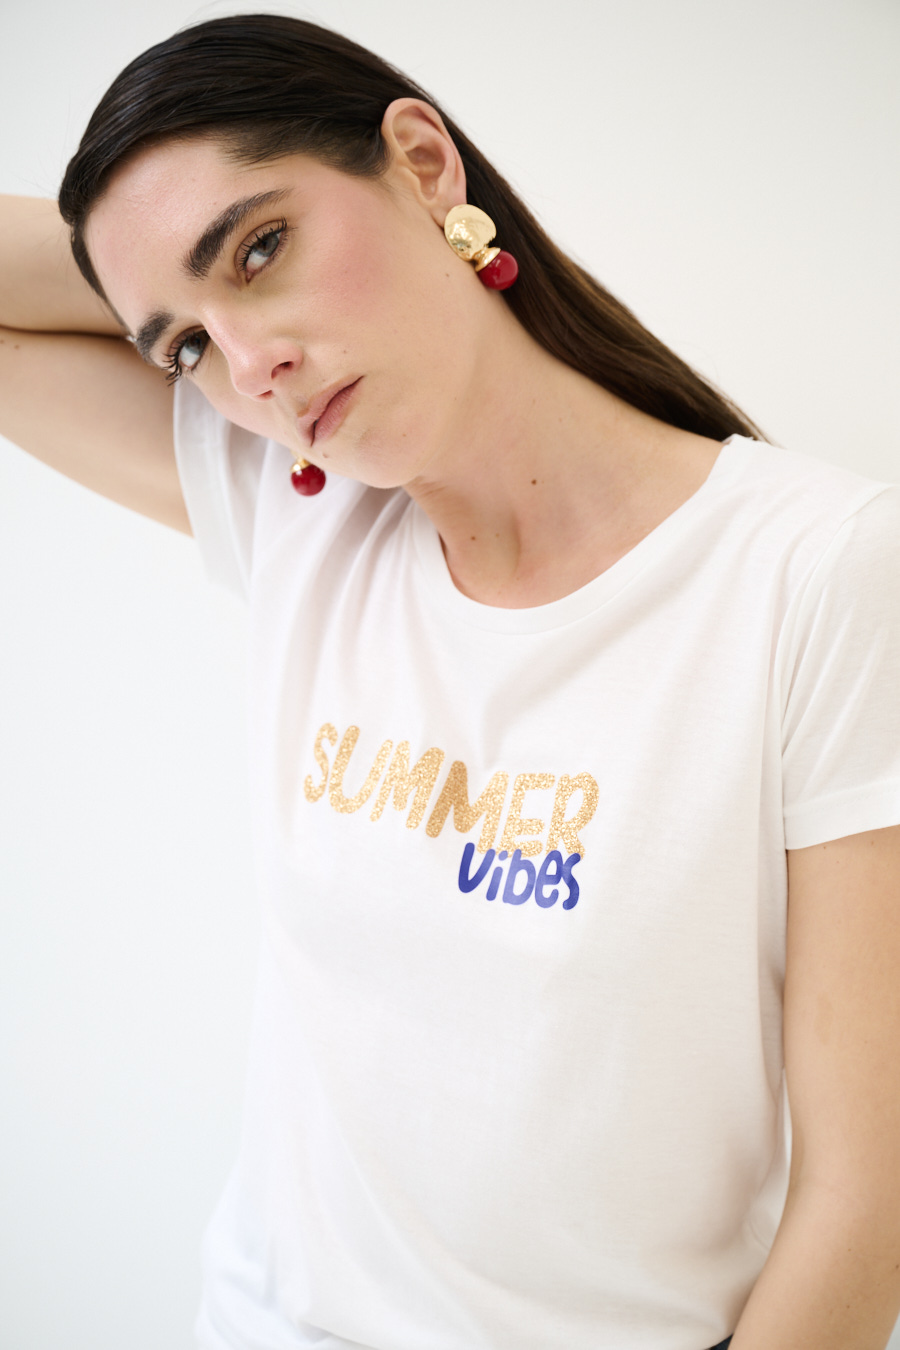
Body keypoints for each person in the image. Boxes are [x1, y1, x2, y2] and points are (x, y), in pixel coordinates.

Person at [2, 13, 899, 1350]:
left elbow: (861, 1201)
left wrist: (169, 271)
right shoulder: (296, 509)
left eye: (261, 248)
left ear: (423, 164)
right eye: (184, 347)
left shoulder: (816, 570)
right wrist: (144, 265)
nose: (250, 369)